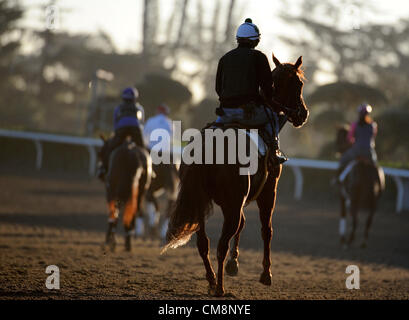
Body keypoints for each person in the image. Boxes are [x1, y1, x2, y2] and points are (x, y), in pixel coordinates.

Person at [214, 18, 288, 166]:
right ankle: (274, 152)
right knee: (274, 117)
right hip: (249, 114)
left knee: (210, 131)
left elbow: (218, 88)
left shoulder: (224, 58)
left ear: (238, 39)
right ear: (256, 40)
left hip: (225, 114)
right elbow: (268, 89)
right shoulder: (259, 57)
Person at [97, 87, 146, 180]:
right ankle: (149, 171)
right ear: (135, 98)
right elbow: (141, 124)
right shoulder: (139, 108)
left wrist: (116, 134)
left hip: (121, 129)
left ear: (123, 98)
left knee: (110, 148)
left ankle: (103, 168)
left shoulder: (118, 108)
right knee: (142, 150)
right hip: (135, 129)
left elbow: (115, 123)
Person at [336, 103, 378, 182]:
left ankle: (338, 179)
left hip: (356, 151)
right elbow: (373, 137)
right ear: (368, 114)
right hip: (369, 151)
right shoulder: (373, 125)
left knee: (342, 160)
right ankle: (379, 182)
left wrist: (353, 142)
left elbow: (349, 138)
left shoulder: (354, 125)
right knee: (375, 166)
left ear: (359, 114)